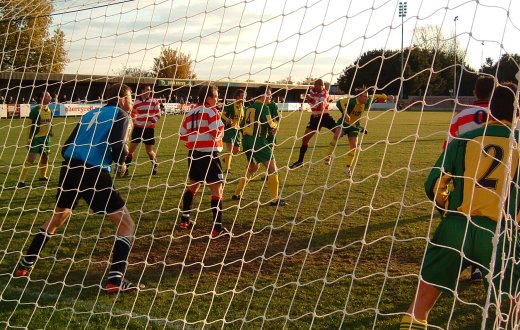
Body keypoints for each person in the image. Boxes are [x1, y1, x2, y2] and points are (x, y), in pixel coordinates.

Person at [400, 82, 520, 329]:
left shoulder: (465, 139)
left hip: (455, 230)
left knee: (420, 304)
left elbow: (434, 185)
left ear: (490, 109)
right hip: (499, 235)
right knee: (513, 306)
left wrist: (447, 208)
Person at [14, 83, 143, 293]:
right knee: (127, 225)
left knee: (59, 216)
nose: (132, 101)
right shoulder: (121, 114)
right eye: (130, 97)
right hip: (92, 171)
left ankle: (25, 264)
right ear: (121, 99)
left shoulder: (90, 113)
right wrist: (122, 161)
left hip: (69, 168)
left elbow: (66, 146)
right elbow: (117, 143)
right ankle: (116, 279)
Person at [443, 75, 495, 283]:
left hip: (467, 179)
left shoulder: (462, 116)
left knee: (469, 218)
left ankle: (470, 264)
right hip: (498, 181)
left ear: (475, 92)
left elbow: (448, 148)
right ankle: (486, 268)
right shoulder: (507, 115)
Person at [178, 84, 230, 238]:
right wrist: (221, 131)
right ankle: (217, 228)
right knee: (217, 190)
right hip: (209, 155)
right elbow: (215, 133)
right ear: (208, 98)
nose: (218, 99)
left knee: (193, 186)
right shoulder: (211, 111)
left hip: (193, 154)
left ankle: (184, 220)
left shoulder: (191, 112)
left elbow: (182, 134)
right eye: (216, 96)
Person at [232, 86, 286, 206]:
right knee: (272, 168)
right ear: (262, 95)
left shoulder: (248, 108)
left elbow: (241, 126)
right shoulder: (264, 107)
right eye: (269, 94)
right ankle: (275, 199)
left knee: (253, 168)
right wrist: (276, 125)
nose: (271, 97)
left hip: (247, 142)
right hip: (258, 141)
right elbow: (271, 124)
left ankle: (237, 193)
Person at [324, 87, 389, 178]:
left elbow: (379, 96)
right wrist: (345, 113)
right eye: (365, 97)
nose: (367, 98)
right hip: (344, 122)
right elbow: (339, 102)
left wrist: (386, 97)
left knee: (354, 146)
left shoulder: (368, 101)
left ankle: (347, 168)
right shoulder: (351, 101)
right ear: (359, 97)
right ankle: (328, 156)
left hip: (355, 125)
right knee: (338, 135)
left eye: (367, 96)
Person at [289, 79, 334, 169]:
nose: (314, 87)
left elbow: (320, 106)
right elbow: (308, 94)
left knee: (339, 132)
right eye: (314, 86)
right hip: (314, 118)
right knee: (305, 140)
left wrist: (310, 99)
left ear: (321, 86)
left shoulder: (324, 94)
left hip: (324, 117)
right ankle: (300, 162)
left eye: (316, 86)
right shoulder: (313, 90)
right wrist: (308, 97)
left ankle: (329, 155)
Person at [444, 75, 495, 149]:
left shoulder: (460, 116)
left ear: (474, 93)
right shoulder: (504, 116)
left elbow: (447, 148)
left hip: (467, 159)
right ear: (496, 93)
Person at [17, 91, 53, 188]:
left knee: (45, 158)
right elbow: (30, 126)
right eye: (48, 96)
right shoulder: (35, 111)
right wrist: (29, 140)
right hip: (35, 139)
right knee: (31, 159)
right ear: (42, 98)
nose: (50, 97)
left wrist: (51, 132)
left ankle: (42, 176)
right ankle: (21, 181)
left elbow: (50, 123)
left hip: (46, 139)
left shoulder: (49, 110)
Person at [124, 85, 161, 176]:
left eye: (150, 90)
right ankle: (126, 169)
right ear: (142, 91)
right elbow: (132, 113)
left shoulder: (154, 101)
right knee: (131, 149)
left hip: (149, 129)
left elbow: (159, 113)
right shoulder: (136, 101)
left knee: (148, 150)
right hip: (138, 128)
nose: (149, 91)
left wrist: (152, 121)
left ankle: (155, 164)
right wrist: (134, 120)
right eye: (147, 89)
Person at [221, 89, 246, 173]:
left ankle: (226, 159)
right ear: (237, 97)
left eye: (245, 96)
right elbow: (222, 114)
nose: (244, 97)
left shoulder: (243, 107)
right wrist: (227, 119)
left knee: (236, 150)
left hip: (237, 131)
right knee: (230, 149)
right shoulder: (230, 106)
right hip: (229, 130)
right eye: (243, 96)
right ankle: (227, 169)